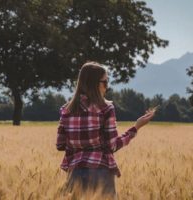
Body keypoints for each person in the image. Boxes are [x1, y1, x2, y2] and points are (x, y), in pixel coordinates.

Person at [56, 61, 155, 199]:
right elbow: (112, 146)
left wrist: (79, 148)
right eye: (105, 82)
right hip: (100, 172)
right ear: (94, 84)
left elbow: (60, 145)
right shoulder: (106, 108)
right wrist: (136, 127)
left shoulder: (66, 110)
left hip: (75, 173)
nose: (107, 87)